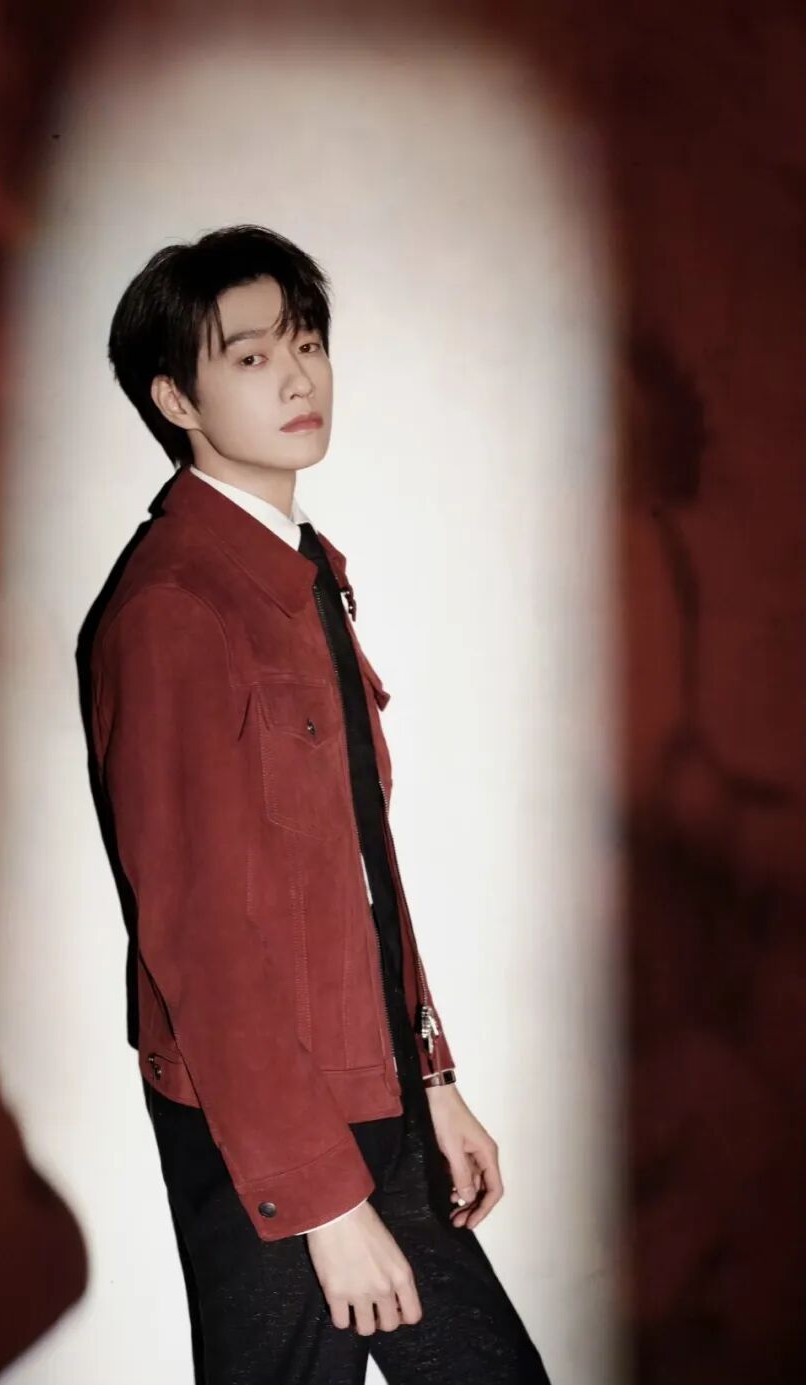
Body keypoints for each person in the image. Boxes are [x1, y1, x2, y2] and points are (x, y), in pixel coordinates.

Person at [82, 224, 552, 1383]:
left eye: (307, 343)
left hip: (370, 1086)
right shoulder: (174, 607)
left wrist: (433, 1077)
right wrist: (324, 1201)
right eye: (251, 357)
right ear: (175, 398)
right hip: (260, 1126)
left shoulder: (301, 576)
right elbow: (198, 933)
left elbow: (358, 866)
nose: (298, 377)